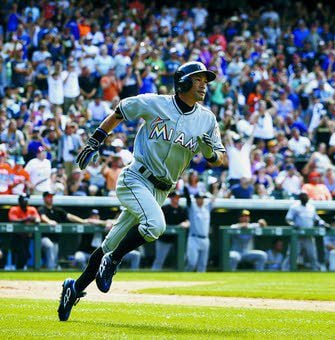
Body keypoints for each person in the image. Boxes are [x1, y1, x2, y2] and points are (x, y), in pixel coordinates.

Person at [58, 61, 225, 321]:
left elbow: (220, 160)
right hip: (136, 178)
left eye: (206, 80)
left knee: (108, 244)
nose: (204, 84)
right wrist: (96, 140)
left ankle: (74, 288)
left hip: (161, 190)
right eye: (198, 79)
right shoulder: (154, 102)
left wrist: (210, 152)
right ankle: (113, 262)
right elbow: (120, 110)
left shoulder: (207, 119)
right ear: (182, 82)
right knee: (155, 225)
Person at [39, 191, 92, 270]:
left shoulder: (57, 209)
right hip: (43, 238)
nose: (50, 198)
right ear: (44, 198)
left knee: (53, 256)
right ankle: (50, 268)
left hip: (55, 239)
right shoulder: (41, 209)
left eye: (51, 196)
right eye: (48, 197)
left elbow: (69, 216)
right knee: (49, 246)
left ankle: (51, 270)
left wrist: (82, 221)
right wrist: (49, 221)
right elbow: (42, 216)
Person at [73, 209, 141, 271]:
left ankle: (132, 274)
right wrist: (96, 222)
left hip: (107, 253)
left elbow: (112, 221)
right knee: (79, 257)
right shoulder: (87, 224)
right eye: (93, 216)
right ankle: (87, 273)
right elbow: (87, 221)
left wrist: (106, 223)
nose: (95, 218)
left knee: (134, 255)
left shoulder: (109, 223)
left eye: (97, 216)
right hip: (87, 252)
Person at [283, 192, 327, 271]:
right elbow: (288, 219)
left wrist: (324, 224)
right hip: (297, 236)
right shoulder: (294, 207)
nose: (305, 199)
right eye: (303, 198)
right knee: (292, 254)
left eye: (306, 197)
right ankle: (285, 269)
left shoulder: (311, 207)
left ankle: (315, 270)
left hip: (308, 236)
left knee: (312, 254)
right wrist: (293, 224)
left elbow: (317, 219)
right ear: (300, 199)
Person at [151, 191, 190, 270]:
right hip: (164, 239)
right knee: (159, 260)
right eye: (175, 197)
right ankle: (153, 277)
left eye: (178, 197)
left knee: (181, 260)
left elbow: (187, 222)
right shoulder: (165, 208)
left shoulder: (182, 209)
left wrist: (185, 224)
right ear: (171, 198)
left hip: (177, 240)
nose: (176, 199)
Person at [184, 187, 216, 272]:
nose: (200, 200)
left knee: (203, 265)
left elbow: (213, 199)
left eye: (202, 198)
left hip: (205, 239)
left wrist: (215, 188)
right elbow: (188, 200)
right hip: (194, 238)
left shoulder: (207, 208)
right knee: (192, 263)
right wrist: (185, 187)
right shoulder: (192, 208)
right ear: (196, 199)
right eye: (199, 198)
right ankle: (184, 278)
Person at [7, 194, 40, 270]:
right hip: (16, 237)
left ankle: (22, 267)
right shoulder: (14, 209)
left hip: (27, 237)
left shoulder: (32, 209)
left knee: (25, 254)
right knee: (17, 252)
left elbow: (38, 219)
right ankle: (14, 267)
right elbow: (13, 219)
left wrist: (35, 219)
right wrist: (26, 219)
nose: (25, 201)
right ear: (19, 201)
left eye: (26, 200)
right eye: (23, 200)